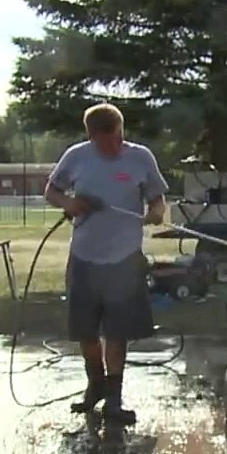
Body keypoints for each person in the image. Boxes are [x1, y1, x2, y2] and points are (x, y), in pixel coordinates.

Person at [43, 103, 169, 424]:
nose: (108, 147)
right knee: (85, 330)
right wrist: (70, 203)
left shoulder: (140, 158)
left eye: (113, 139)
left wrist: (156, 211)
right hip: (85, 256)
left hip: (124, 260)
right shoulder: (77, 157)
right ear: (90, 136)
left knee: (117, 332)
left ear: (121, 130)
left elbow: (157, 198)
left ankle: (114, 397)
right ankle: (94, 385)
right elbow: (51, 191)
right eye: (101, 142)